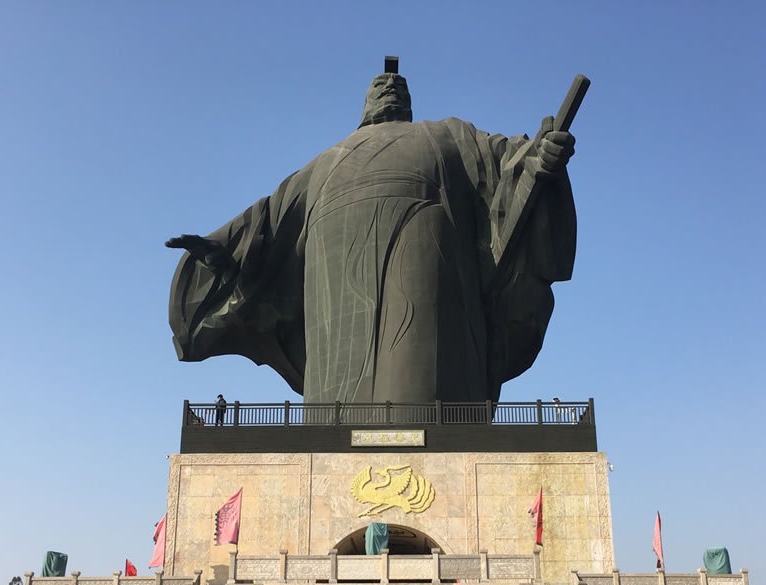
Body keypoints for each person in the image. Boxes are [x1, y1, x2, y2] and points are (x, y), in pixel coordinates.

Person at [168, 64, 577, 404]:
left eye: (397, 86)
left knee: (419, 384)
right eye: (380, 86)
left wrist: (539, 157)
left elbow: (508, 162)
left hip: (424, 270)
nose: (389, 88)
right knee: (338, 399)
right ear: (366, 103)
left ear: (408, 103)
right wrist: (222, 252)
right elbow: (268, 222)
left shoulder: (448, 135)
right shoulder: (326, 163)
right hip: (336, 298)